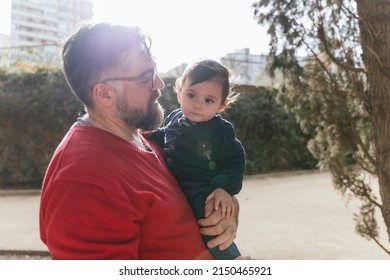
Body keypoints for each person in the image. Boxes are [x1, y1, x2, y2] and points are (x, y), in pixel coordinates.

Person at [39, 23, 240, 260]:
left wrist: (226, 208)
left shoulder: (147, 140)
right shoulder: (84, 178)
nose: (159, 84)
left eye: (153, 71)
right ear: (105, 94)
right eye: (145, 78)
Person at [148, 60, 245, 259]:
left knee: (210, 220)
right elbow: (165, 135)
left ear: (221, 105)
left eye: (209, 100)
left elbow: (235, 158)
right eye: (191, 95)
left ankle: (232, 258)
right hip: (176, 186)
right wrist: (146, 135)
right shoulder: (175, 117)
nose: (198, 105)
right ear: (179, 92)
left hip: (202, 187)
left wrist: (225, 189)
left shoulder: (220, 130)